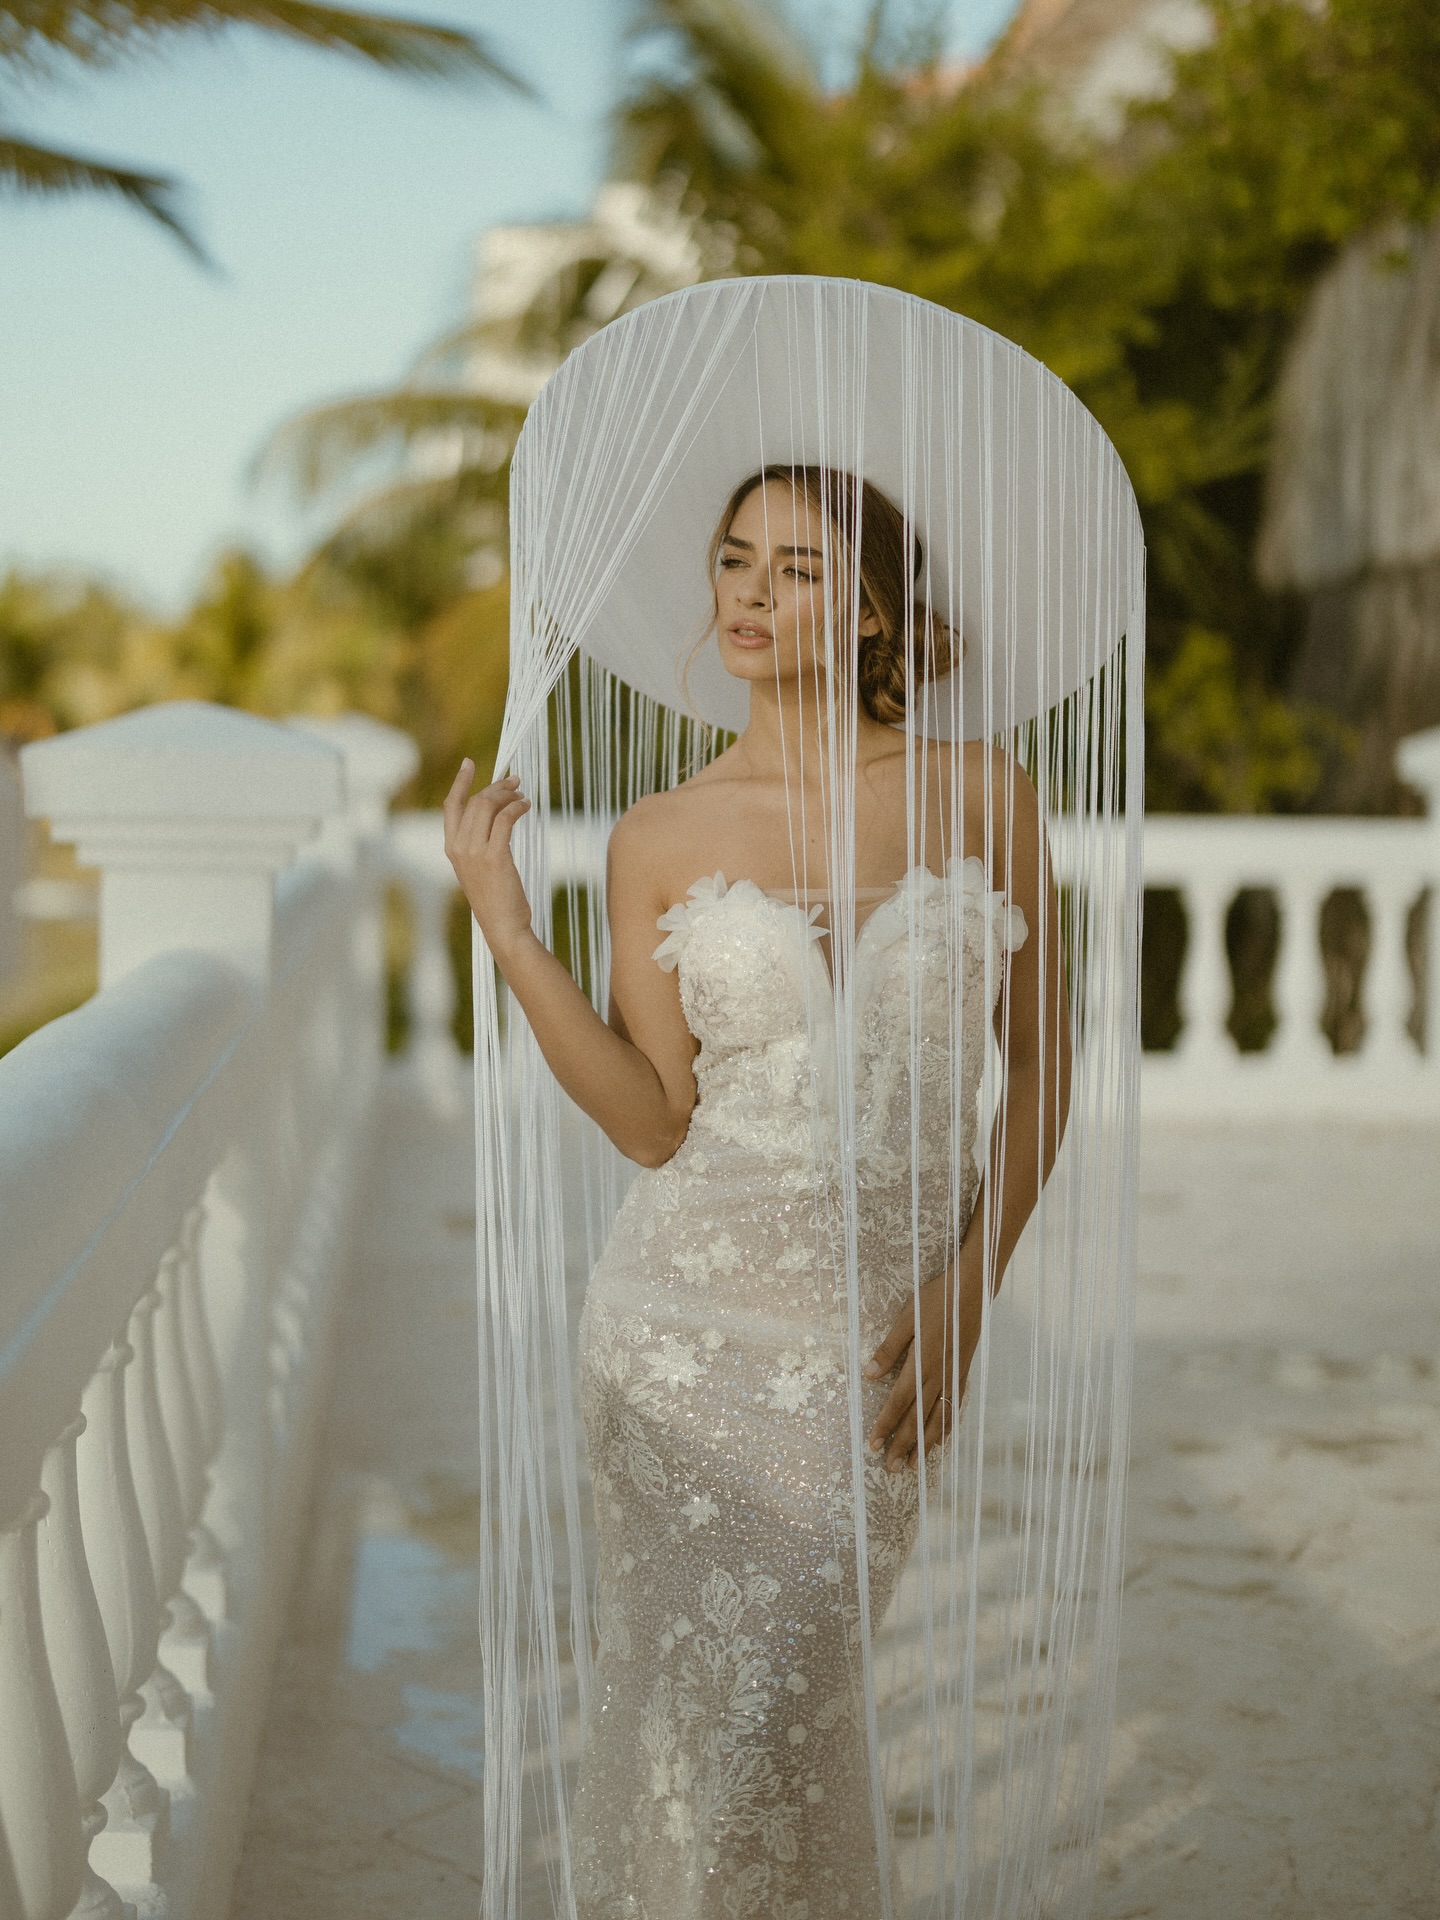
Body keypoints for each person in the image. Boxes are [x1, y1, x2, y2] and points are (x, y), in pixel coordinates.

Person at [445, 465, 1070, 1918]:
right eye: (734, 561)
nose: (746, 593)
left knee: (791, 1715)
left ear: (864, 610)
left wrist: (970, 1287)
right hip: (677, 1339)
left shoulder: (986, 793)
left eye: (794, 569)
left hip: (876, 1354)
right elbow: (656, 1124)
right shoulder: (660, 834)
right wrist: (511, 936)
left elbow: (1036, 1071)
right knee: (700, 1742)